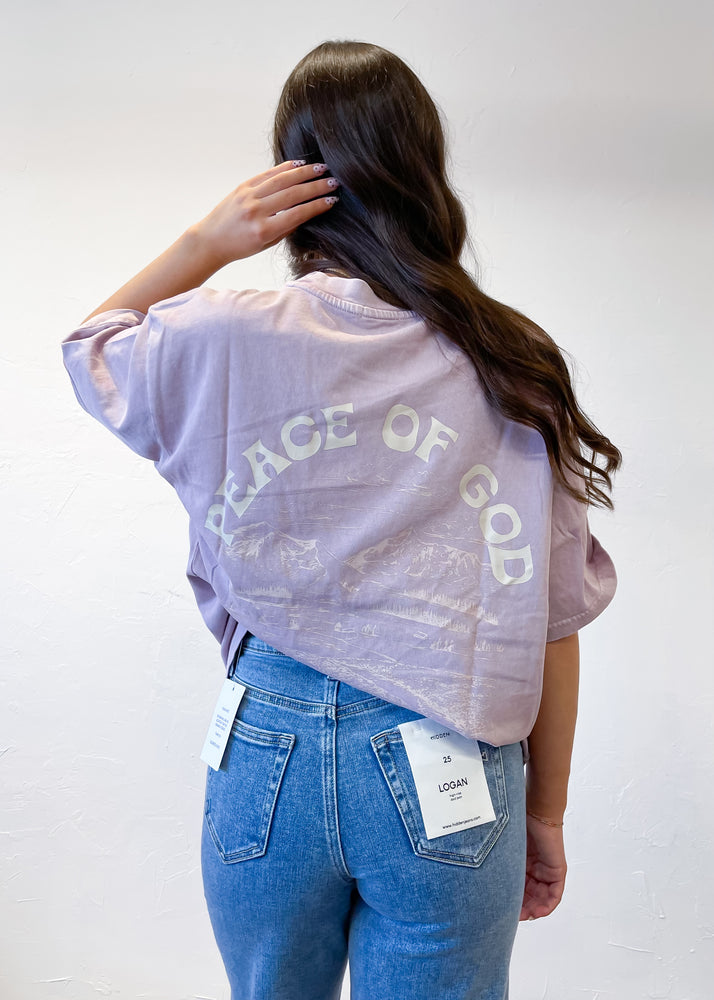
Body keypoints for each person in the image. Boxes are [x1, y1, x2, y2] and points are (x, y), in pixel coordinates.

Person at [62, 39, 620, 1000]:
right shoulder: (510, 360)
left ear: (292, 180)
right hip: (451, 751)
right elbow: (553, 619)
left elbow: (90, 348)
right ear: (425, 171)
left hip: (264, 748)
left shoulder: (226, 334)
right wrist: (546, 814)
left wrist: (205, 242)